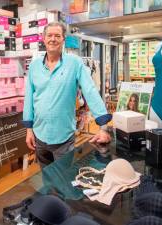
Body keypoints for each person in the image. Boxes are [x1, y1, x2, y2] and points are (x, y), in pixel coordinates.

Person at [22, 22, 112, 167]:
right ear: (43, 39)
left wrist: (103, 127)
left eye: (57, 36)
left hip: (63, 138)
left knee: (64, 182)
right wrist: (29, 130)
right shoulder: (34, 66)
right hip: (39, 135)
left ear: (63, 40)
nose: (53, 39)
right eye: (49, 35)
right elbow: (29, 99)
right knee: (47, 178)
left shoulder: (74, 63)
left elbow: (90, 91)